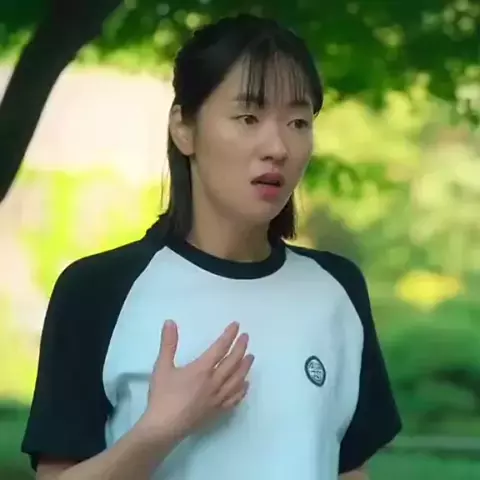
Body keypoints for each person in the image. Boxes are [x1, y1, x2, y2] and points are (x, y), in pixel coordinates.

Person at [21, 14, 401, 480]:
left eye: (298, 122)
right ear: (184, 128)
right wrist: (159, 431)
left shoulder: (336, 289)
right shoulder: (98, 290)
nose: (278, 146)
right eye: (248, 117)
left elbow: (348, 469)